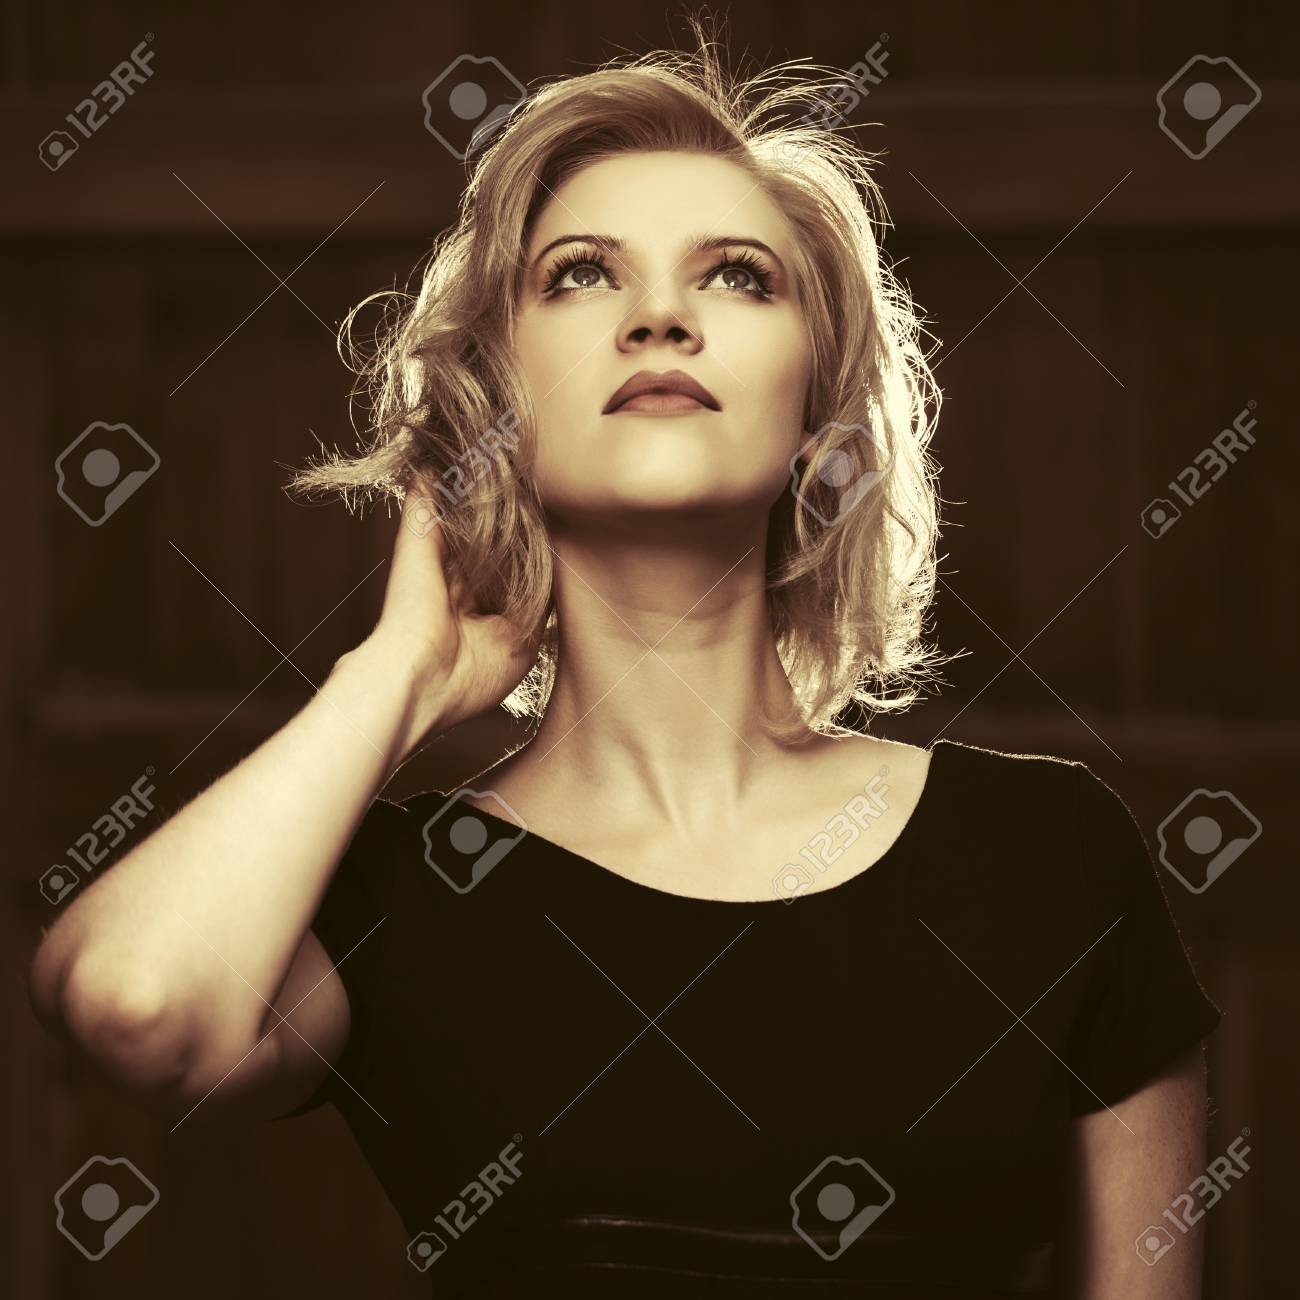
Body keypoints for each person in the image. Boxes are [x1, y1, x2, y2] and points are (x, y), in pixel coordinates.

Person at [28, 15, 1221, 1298]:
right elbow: (135, 1001)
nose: (659, 315)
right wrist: (399, 672)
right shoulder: (406, 896)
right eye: (582, 275)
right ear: (496, 404)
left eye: (738, 276)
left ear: (817, 420)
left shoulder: (1053, 854)